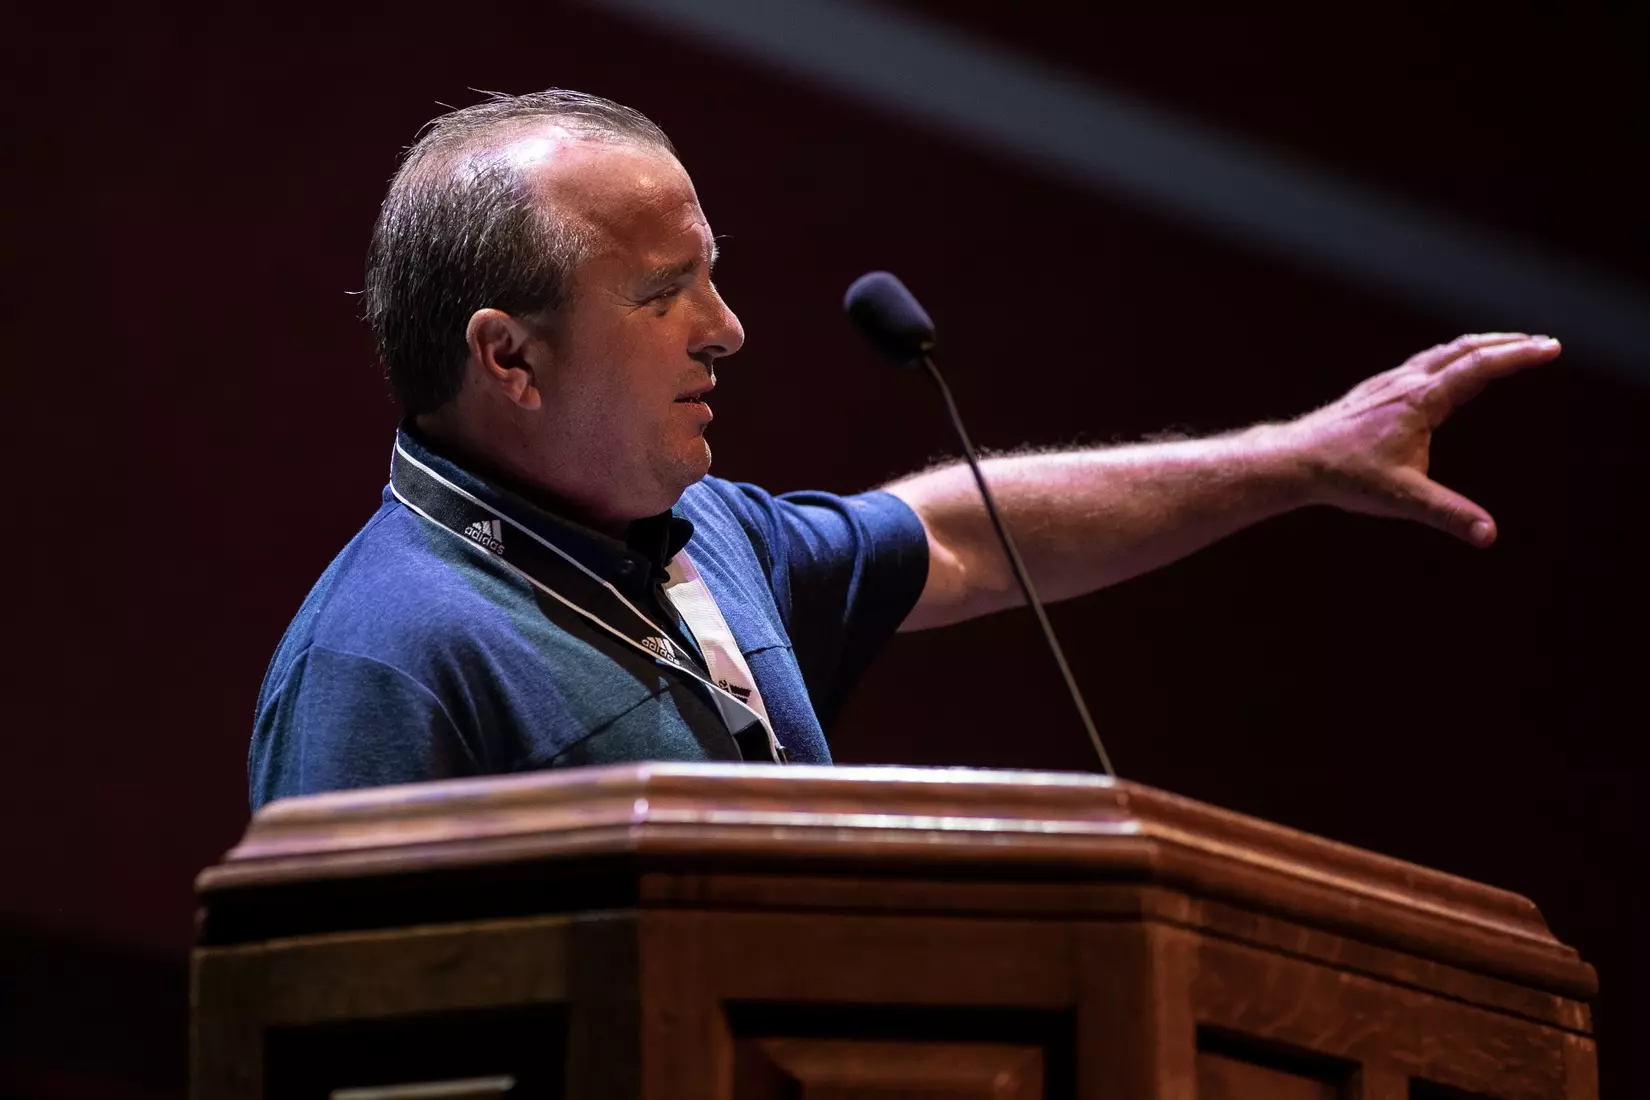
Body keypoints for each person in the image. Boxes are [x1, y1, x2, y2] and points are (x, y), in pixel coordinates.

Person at [249, 90, 1560, 810]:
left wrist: (1301, 458)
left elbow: (964, 532)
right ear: (508, 358)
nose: (729, 332)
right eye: (665, 295)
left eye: (719, 279)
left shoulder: (718, 544)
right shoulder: (385, 656)